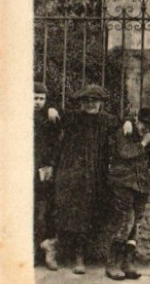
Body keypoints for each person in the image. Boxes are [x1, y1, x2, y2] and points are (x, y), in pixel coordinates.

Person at [51, 84, 120, 274]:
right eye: (86, 101)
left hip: (97, 174)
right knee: (76, 213)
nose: (90, 104)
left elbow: (125, 125)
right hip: (74, 173)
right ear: (81, 103)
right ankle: (78, 256)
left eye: (94, 101)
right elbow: (53, 119)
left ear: (101, 103)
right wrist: (51, 108)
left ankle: (90, 254)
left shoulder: (107, 120)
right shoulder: (73, 118)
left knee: (95, 212)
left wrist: (129, 122)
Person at [105, 107, 150, 281]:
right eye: (144, 126)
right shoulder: (125, 131)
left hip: (140, 186)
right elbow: (125, 153)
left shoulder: (146, 137)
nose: (146, 131)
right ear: (138, 121)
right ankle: (112, 263)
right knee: (125, 221)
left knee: (135, 224)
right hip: (122, 183)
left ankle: (127, 262)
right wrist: (143, 143)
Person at [33, 81, 61, 270]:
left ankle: (46, 251)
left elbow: (55, 144)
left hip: (42, 171)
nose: (38, 102)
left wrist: (53, 108)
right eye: (35, 98)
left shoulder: (49, 117)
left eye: (41, 98)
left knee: (44, 212)